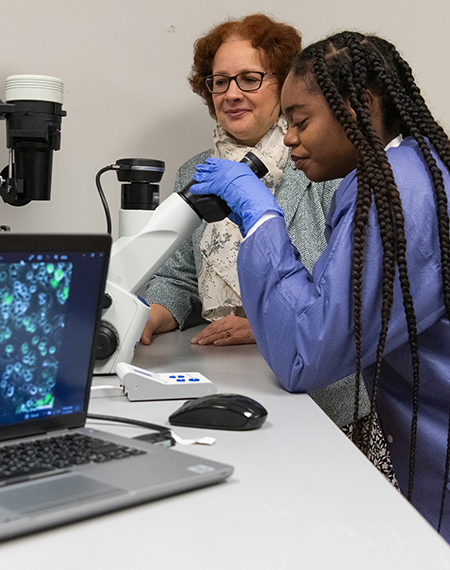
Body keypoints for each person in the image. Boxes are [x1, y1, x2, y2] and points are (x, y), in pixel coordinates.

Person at [190, 31, 450, 540]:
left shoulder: (391, 193)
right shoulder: (419, 169)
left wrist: (260, 217)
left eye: (301, 121)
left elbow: (306, 354)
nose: (289, 137)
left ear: (359, 106)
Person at [142, 16, 397, 483]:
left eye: (250, 79)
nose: (232, 93)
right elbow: (178, 275)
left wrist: (264, 321)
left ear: (283, 85)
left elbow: (340, 288)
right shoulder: (196, 172)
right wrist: (146, 317)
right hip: (227, 377)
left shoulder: (323, 159)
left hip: (323, 395)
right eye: (220, 81)